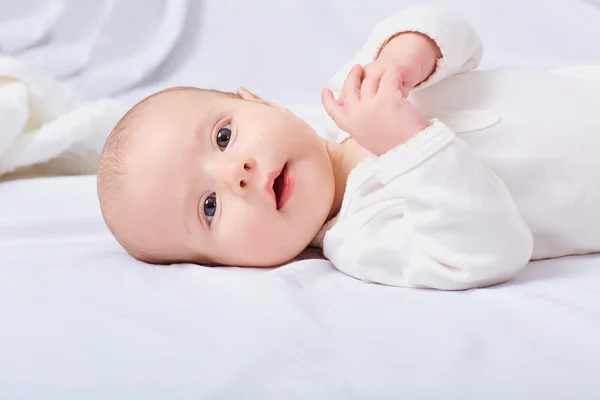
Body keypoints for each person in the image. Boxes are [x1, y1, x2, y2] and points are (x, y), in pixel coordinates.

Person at [97, 5, 600, 290]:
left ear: (260, 101)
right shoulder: (361, 238)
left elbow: (456, 35)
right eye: (210, 207)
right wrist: (408, 146)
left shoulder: (354, 90)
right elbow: (492, 250)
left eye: (223, 136)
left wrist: (406, 55)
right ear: (226, 265)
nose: (238, 173)